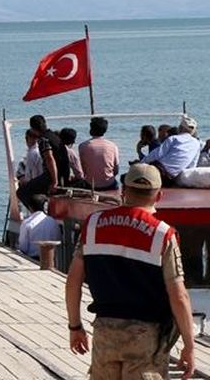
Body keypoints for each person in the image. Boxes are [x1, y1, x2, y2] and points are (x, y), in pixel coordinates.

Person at [65, 163, 195, 380]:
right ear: (159, 196)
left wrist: (75, 326)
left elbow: (73, 281)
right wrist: (189, 346)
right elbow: (178, 295)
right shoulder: (163, 235)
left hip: (105, 331)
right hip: (146, 337)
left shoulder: (93, 225)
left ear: (123, 192)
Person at [16, 115, 71, 211]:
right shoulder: (54, 136)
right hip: (64, 174)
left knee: (21, 192)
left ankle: (39, 214)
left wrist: (54, 181)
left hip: (53, 176)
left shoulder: (43, 140)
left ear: (32, 129)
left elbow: (50, 159)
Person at [142, 115, 200, 186]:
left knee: (127, 177)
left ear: (180, 128)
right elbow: (192, 165)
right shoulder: (197, 144)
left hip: (158, 170)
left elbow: (157, 154)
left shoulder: (174, 138)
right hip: (170, 178)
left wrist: (142, 163)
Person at [78, 117, 120, 190]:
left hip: (91, 184)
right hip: (109, 184)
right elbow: (116, 170)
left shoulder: (82, 146)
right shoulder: (113, 146)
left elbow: (84, 170)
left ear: (91, 129)